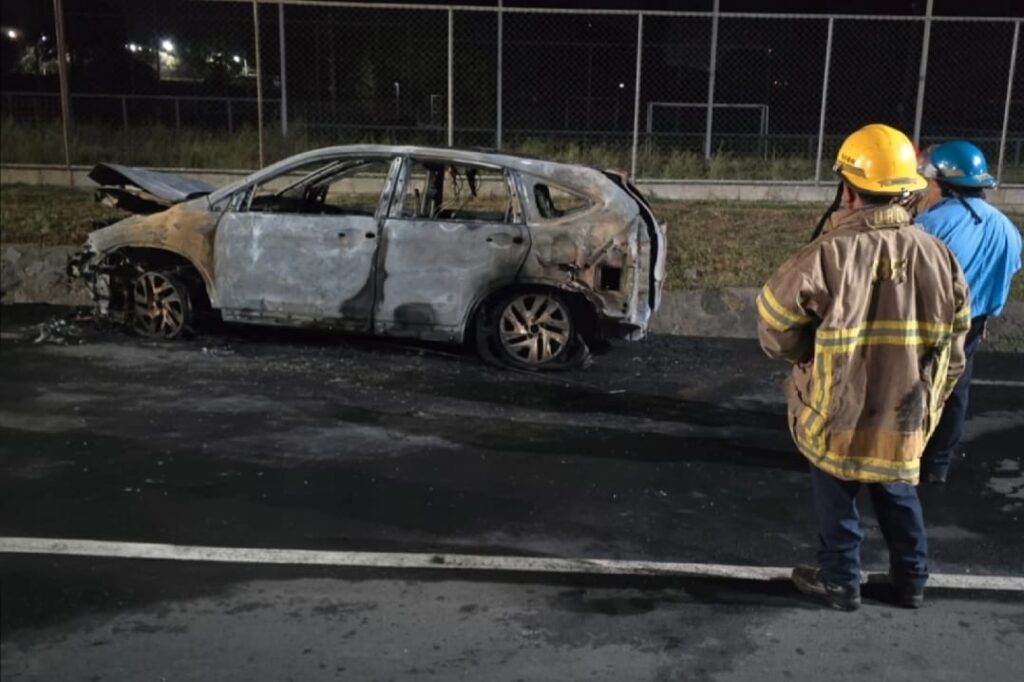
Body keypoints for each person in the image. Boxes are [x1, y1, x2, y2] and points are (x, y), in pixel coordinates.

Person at [756, 123, 971, 611]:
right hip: (906, 411)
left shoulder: (827, 253)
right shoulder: (939, 255)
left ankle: (841, 583)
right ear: (907, 191)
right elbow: (956, 344)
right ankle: (911, 582)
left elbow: (774, 324)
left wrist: (802, 354)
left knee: (836, 492)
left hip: (837, 408)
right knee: (898, 490)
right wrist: (933, 397)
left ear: (849, 191)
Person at [916, 141, 1023, 483]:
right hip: (973, 324)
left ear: (943, 184)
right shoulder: (1007, 229)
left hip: (925, 322)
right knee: (956, 390)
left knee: (908, 385)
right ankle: (938, 464)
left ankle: (899, 456)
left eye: (929, 182)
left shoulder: (928, 225)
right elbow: (1005, 273)